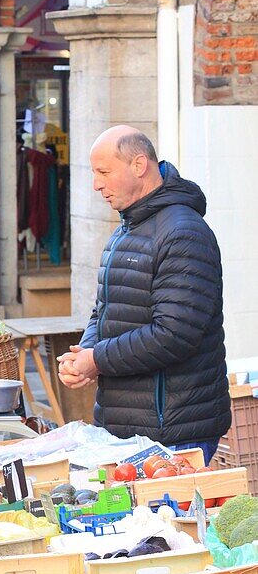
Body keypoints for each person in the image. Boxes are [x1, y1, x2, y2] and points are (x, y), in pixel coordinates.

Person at [58, 126, 231, 463]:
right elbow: (104, 310)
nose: (96, 185)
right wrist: (87, 351)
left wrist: (97, 359)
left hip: (174, 434)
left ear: (139, 165)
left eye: (104, 172)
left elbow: (173, 335)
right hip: (123, 428)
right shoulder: (127, 230)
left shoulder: (183, 232)